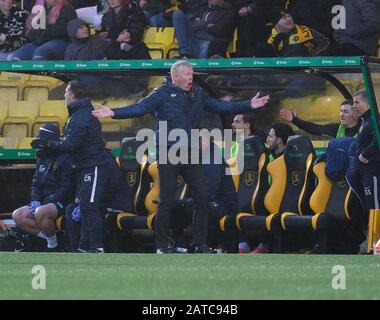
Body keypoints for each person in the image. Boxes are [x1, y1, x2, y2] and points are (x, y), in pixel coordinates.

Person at [93, 60, 270, 253]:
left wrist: (248, 105)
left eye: (192, 74)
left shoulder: (197, 94)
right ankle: (161, 245)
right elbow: (139, 108)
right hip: (168, 151)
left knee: (202, 198)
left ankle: (200, 244)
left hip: (191, 151)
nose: (191, 77)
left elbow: (219, 106)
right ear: (175, 76)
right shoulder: (161, 94)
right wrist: (113, 113)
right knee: (166, 200)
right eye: (187, 74)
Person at [31, 80, 116, 253]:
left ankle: (97, 247)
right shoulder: (79, 114)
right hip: (87, 165)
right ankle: (85, 247)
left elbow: (71, 145)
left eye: (66, 92)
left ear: (73, 94)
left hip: (93, 165)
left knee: (89, 207)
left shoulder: (80, 116)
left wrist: (49, 145)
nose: (64, 95)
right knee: (85, 207)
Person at [13, 124, 75, 251]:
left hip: (63, 201)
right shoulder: (42, 157)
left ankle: (53, 247)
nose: (40, 145)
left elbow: (66, 188)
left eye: (42, 141)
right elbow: (36, 183)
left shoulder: (65, 158)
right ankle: (52, 239)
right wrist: (35, 200)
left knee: (41, 212)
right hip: (43, 202)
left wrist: (44, 203)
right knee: (18, 215)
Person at [250, 122, 293, 254]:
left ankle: (265, 246)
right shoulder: (267, 156)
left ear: (279, 140)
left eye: (270, 136)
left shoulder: (292, 158)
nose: (267, 139)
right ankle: (259, 245)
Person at [9, 0, 77, 60]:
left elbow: (60, 31)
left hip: (61, 41)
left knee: (40, 53)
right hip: (39, 41)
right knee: (18, 55)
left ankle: (41, 74)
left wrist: (40, 32)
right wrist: (39, 33)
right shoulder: (37, 10)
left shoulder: (67, 9)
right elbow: (30, 32)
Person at [353, 89, 380, 212]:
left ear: (368, 104)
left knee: (374, 207)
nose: (354, 106)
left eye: (357, 102)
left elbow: (378, 139)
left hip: (372, 171)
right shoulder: (365, 121)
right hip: (365, 173)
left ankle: (376, 231)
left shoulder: (375, 120)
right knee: (369, 206)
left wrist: (364, 154)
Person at [280, 100, 361, 139]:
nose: (341, 114)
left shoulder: (364, 128)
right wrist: (294, 119)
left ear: (355, 114)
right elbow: (315, 128)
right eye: (341, 111)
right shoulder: (336, 128)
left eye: (345, 112)